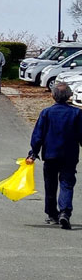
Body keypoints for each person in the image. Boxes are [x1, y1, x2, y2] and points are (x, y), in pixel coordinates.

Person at [26, 83, 82, 229]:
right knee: (67, 183)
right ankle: (65, 212)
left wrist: (33, 152)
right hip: (69, 155)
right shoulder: (77, 113)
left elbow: (38, 135)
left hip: (51, 154)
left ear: (52, 95)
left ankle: (52, 213)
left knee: (50, 184)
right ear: (69, 96)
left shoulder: (46, 113)